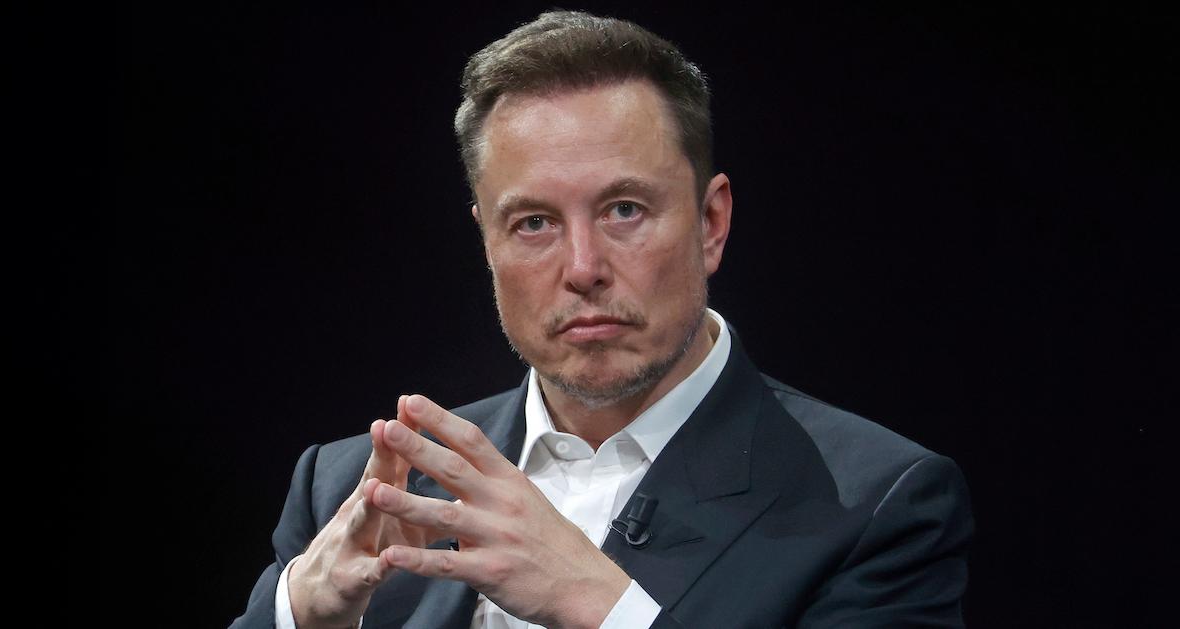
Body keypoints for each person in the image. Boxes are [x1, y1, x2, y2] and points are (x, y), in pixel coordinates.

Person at [230, 10, 973, 629]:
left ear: (711, 224)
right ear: (486, 238)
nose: (582, 265)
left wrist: (605, 607)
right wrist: (298, 614)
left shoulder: (876, 504)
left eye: (625, 210)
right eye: (533, 223)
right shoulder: (349, 488)